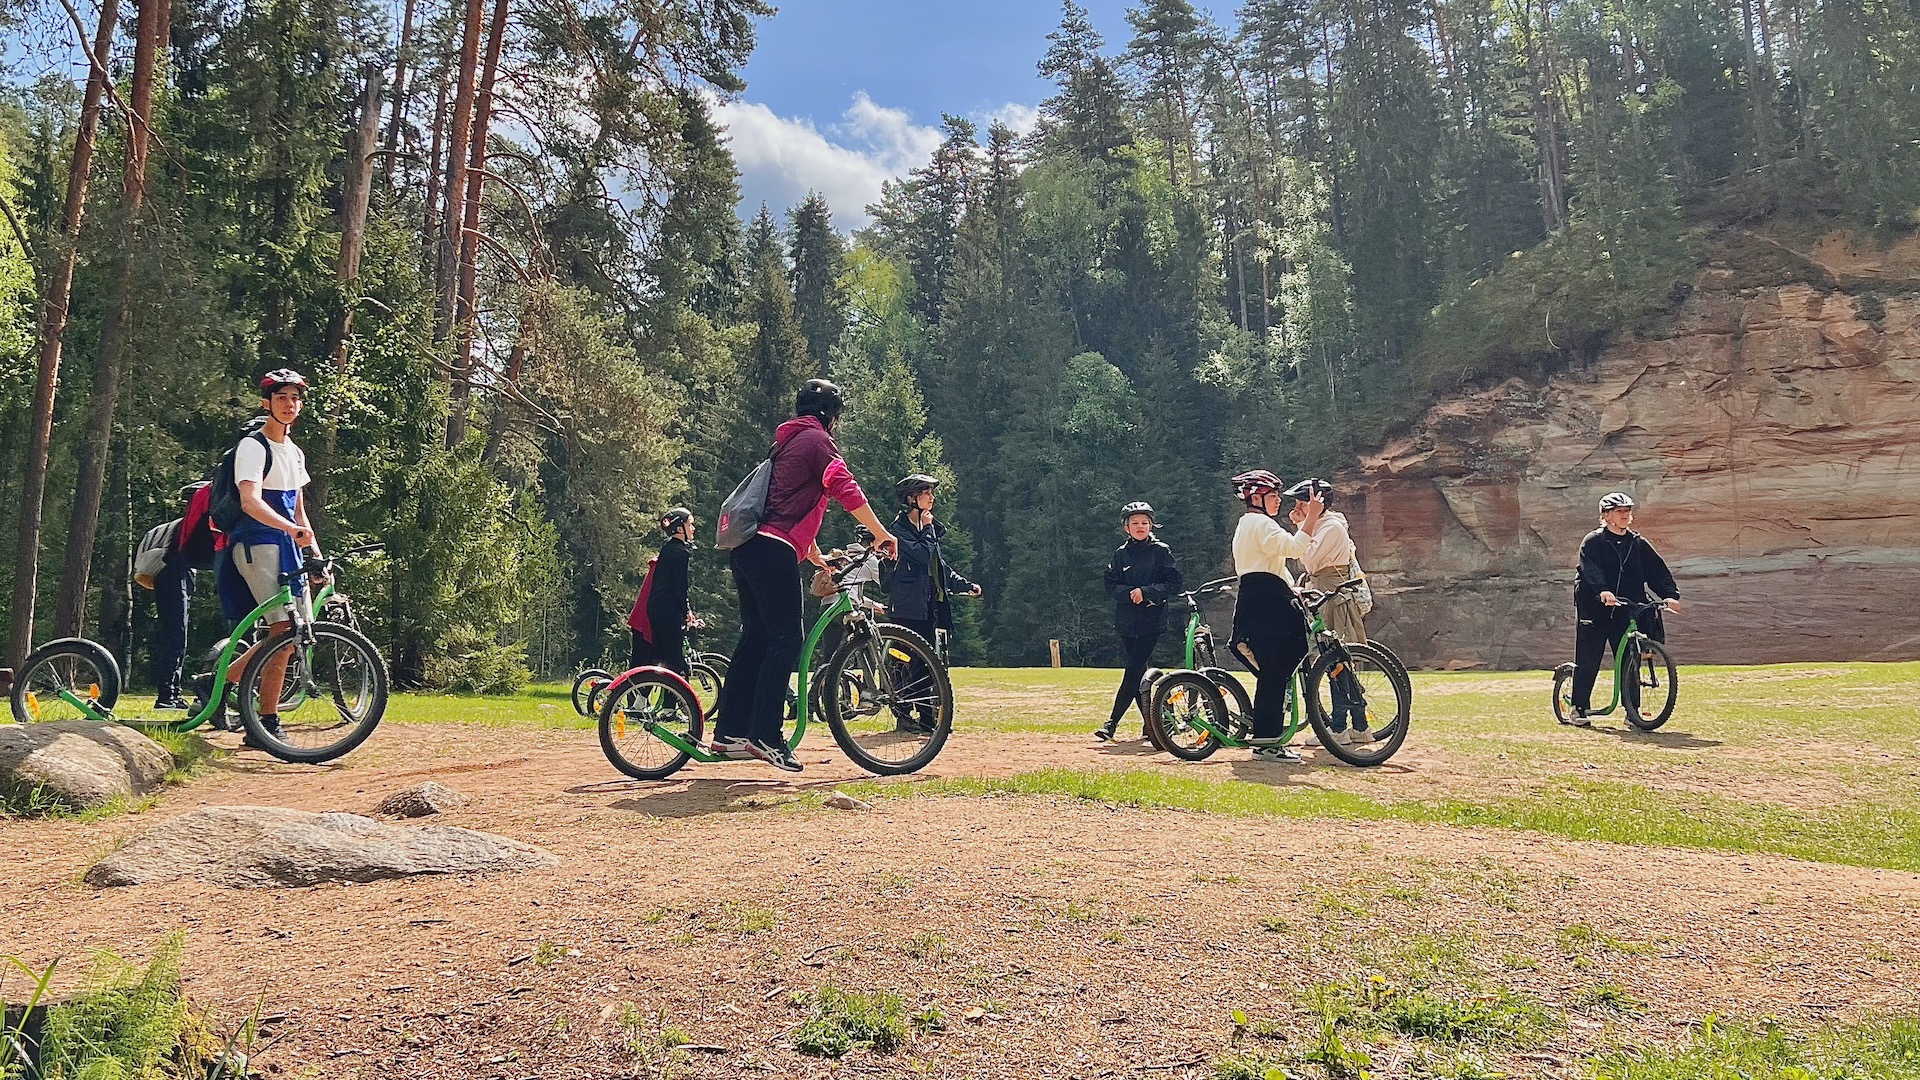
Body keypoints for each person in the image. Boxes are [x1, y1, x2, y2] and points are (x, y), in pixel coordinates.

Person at [712, 380, 898, 772]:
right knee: (786, 639)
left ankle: (729, 733)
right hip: (771, 549)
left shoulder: (786, 444)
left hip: (748, 548)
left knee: (756, 638)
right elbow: (844, 487)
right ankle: (766, 735)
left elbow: (787, 505)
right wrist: (880, 532)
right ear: (830, 416)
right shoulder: (816, 441)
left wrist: (815, 557)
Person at [216, 369, 323, 750]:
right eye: (281, 398)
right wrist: (291, 532)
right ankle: (265, 722)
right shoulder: (253, 447)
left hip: (287, 545)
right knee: (282, 632)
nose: (289, 405)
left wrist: (315, 554)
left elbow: (298, 510)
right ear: (267, 403)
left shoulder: (294, 452)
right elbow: (251, 502)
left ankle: (220, 683)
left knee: (293, 636)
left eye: (294, 398)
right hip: (256, 542)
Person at [1567, 492, 1682, 726]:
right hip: (1595, 608)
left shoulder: (1637, 543)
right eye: (1620, 511)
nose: (1626, 515)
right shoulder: (1593, 542)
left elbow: (1657, 571)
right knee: (1589, 657)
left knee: (1631, 658)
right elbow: (1590, 569)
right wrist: (1602, 590)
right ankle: (1578, 708)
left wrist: (1670, 594)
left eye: (1628, 511)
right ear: (1607, 516)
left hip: (1625, 608)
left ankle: (1632, 711)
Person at [1227, 471, 1311, 762]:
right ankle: (1267, 743)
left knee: (1272, 673)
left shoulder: (1249, 524)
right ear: (1256, 498)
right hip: (1267, 602)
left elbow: (1272, 565)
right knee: (1275, 670)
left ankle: (1268, 738)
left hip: (1259, 597)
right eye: (1273, 495)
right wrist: (1311, 518)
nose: (1278, 500)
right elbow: (1295, 548)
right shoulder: (1260, 523)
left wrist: (1293, 588)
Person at [888, 474, 981, 733]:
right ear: (911, 499)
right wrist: (929, 530)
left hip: (929, 607)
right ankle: (904, 714)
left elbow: (939, 569)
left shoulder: (927, 531)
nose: (932, 497)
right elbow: (920, 556)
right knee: (905, 662)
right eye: (926, 493)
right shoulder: (898, 532)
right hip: (907, 609)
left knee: (930, 664)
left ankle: (929, 718)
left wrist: (964, 585)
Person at [1286, 477, 1374, 746]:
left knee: (1335, 661)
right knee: (1338, 663)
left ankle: (1338, 727)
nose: (1298, 507)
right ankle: (1360, 726)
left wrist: (1302, 525)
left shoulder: (1332, 527)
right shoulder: (1325, 524)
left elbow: (1308, 557)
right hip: (1325, 592)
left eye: (1303, 502)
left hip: (1333, 596)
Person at [1097, 502, 1183, 742]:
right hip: (1126, 621)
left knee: (1133, 670)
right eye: (1135, 523)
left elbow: (1174, 584)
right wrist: (1128, 593)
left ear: (1151, 525)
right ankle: (1157, 723)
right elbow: (1110, 585)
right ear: (1126, 527)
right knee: (1141, 674)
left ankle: (1111, 723)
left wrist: (1147, 591)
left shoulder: (1161, 551)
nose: (1140, 527)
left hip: (1152, 620)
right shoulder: (1120, 554)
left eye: (1144, 523)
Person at [149, 481, 212, 710]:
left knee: (175, 636)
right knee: (176, 636)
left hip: (172, 576)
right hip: (172, 576)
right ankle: (167, 695)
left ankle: (171, 693)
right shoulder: (186, 528)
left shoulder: (183, 526)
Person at [626, 508, 697, 676]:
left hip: (655, 610)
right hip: (669, 612)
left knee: (659, 658)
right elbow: (680, 587)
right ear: (680, 529)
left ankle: (644, 696)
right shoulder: (681, 553)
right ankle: (673, 701)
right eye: (690, 524)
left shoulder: (666, 549)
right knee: (675, 664)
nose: (693, 528)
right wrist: (686, 611)